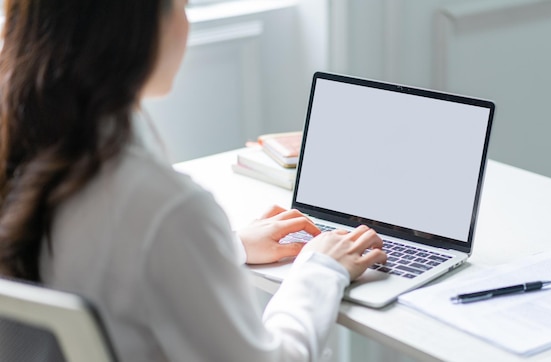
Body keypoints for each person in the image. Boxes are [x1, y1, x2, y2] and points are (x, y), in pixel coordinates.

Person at [0, 0, 387, 361]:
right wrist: (321, 269)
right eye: (181, 5)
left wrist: (227, 247)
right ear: (137, 29)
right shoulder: (167, 209)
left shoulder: (26, 155)